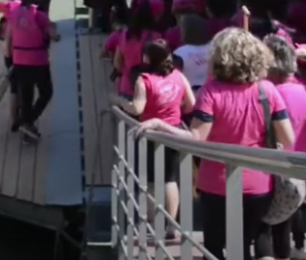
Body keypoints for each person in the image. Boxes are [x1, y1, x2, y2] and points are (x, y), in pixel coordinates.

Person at [136, 28, 295, 260]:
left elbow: (196, 138)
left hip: (217, 184)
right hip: (259, 184)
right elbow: (287, 139)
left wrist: (160, 125)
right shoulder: (266, 90)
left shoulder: (211, 92)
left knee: (213, 247)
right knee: (243, 246)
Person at [112, 40, 194, 239]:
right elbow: (190, 104)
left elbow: (137, 109)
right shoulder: (178, 76)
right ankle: (171, 226)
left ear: (148, 58)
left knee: (150, 179)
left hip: (150, 133)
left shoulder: (144, 79)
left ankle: (152, 221)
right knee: (170, 179)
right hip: (173, 131)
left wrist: (123, 103)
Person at [264, 35, 306, 260]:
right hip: (299, 169)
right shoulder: (303, 91)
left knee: (270, 230)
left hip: (271, 170)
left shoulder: (268, 93)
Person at [6, 0, 60, 140]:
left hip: (19, 59)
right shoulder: (39, 15)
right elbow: (52, 33)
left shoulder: (14, 13)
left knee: (26, 95)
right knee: (46, 92)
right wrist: (55, 35)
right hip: (38, 60)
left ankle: (26, 128)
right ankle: (27, 122)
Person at [0, 0, 33, 130]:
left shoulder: (6, 17)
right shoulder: (26, 11)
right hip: (23, 55)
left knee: (14, 87)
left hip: (10, 56)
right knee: (25, 87)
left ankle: (14, 121)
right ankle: (23, 117)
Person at [112, 1, 162, 98]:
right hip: (149, 89)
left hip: (127, 86)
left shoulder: (126, 35)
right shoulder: (156, 38)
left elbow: (117, 63)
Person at [174, 14, 211, 92]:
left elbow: (175, 78)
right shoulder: (213, 48)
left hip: (189, 94)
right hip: (211, 92)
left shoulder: (180, 53)